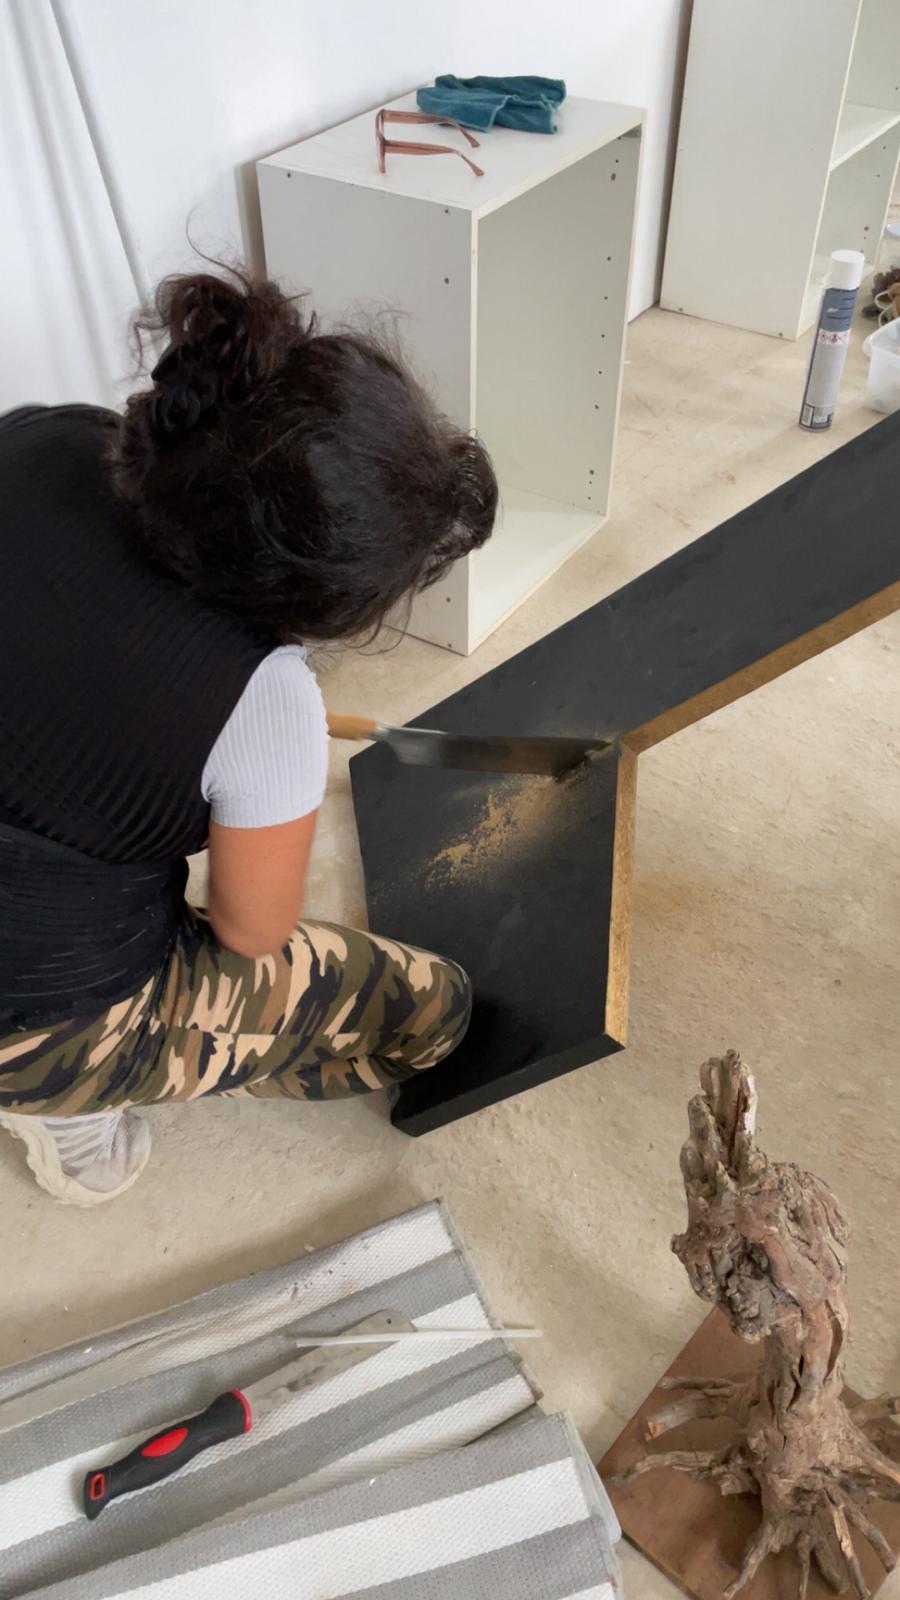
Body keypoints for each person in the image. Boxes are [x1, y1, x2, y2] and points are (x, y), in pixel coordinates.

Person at [0, 267, 497, 1206]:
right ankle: (67, 1099)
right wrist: (265, 760)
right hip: (35, 1004)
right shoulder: (265, 701)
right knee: (435, 1008)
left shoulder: (48, 436)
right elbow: (249, 931)